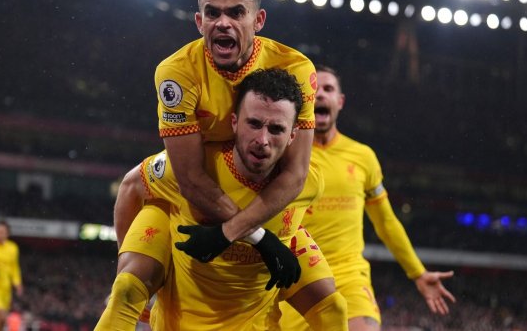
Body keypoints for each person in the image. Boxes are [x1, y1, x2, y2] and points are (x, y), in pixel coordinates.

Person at [97, 0, 322, 329]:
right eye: (212, 13)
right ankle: (135, 271)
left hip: (247, 172)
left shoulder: (296, 70)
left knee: (332, 302)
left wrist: (233, 233)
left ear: (258, 21)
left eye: (237, 12)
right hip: (195, 175)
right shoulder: (177, 74)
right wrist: (261, 239)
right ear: (199, 21)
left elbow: (296, 172)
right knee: (133, 185)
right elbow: (189, 178)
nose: (224, 23)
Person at [96, 69, 346, 330]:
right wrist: (126, 260)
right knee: (126, 288)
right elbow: (130, 186)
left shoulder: (307, 183)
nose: (262, 140)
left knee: (334, 308)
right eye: (254, 123)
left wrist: (276, 240)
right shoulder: (190, 167)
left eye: (276, 129)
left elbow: (294, 227)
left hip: (252, 314)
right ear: (235, 122)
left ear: (293, 135)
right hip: (181, 316)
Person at [278, 65, 456, 330]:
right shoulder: (285, 153)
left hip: (348, 275)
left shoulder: (363, 157)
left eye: (328, 89)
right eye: (314, 90)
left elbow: (385, 221)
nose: (320, 96)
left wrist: (417, 272)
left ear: (340, 102)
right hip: (296, 277)